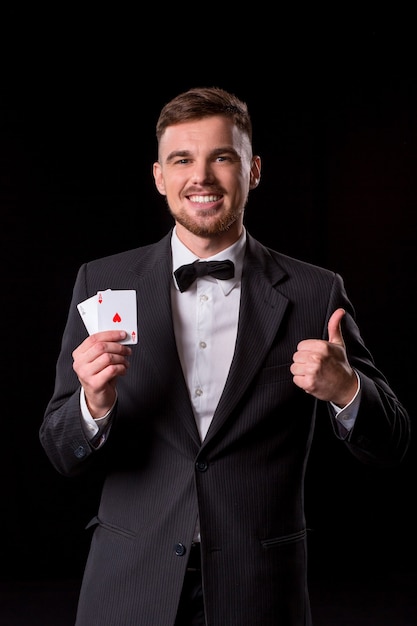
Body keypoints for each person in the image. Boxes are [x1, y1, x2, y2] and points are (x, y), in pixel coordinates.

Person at [39, 86, 410, 626]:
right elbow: (59, 449)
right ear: (159, 176)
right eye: (182, 159)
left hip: (259, 591)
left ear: (253, 170)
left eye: (222, 157)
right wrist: (92, 406)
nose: (202, 177)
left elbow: (393, 441)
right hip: (127, 587)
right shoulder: (102, 281)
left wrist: (345, 391)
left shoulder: (315, 292)